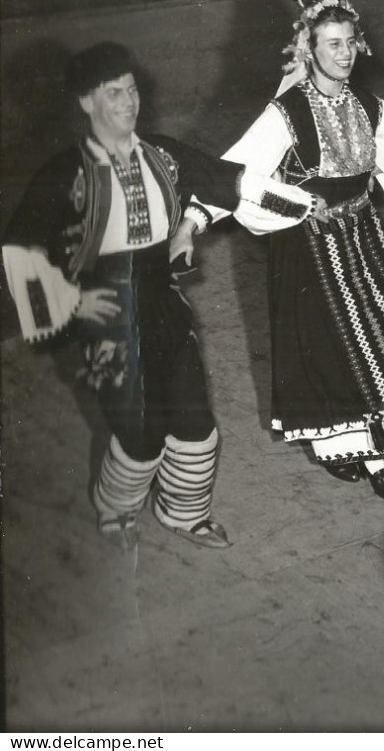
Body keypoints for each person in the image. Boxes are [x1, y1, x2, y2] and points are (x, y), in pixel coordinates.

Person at [1, 44, 312, 552]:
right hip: (108, 318)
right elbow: (17, 251)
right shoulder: (64, 173)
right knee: (140, 433)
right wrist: (69, 305)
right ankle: (117, 506)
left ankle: (183, 511)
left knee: (195, 422)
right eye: (113, 93)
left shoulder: (163, 153)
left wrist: (302, 204)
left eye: (132, 89)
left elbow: (228, 180)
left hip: (164, 303)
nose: (129, 102)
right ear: (85, 103)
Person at [219, 0, 384, 502]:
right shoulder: (287, 112)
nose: (344, 53)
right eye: (332, 44)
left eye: (350, 41)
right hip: (308, 246)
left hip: (364, 238)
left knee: (379, 331)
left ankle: (375, 439)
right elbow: (238, 169)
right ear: (309, 50)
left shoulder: (370, 107)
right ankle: (354, 450)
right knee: (328, 345)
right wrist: (194, 218)